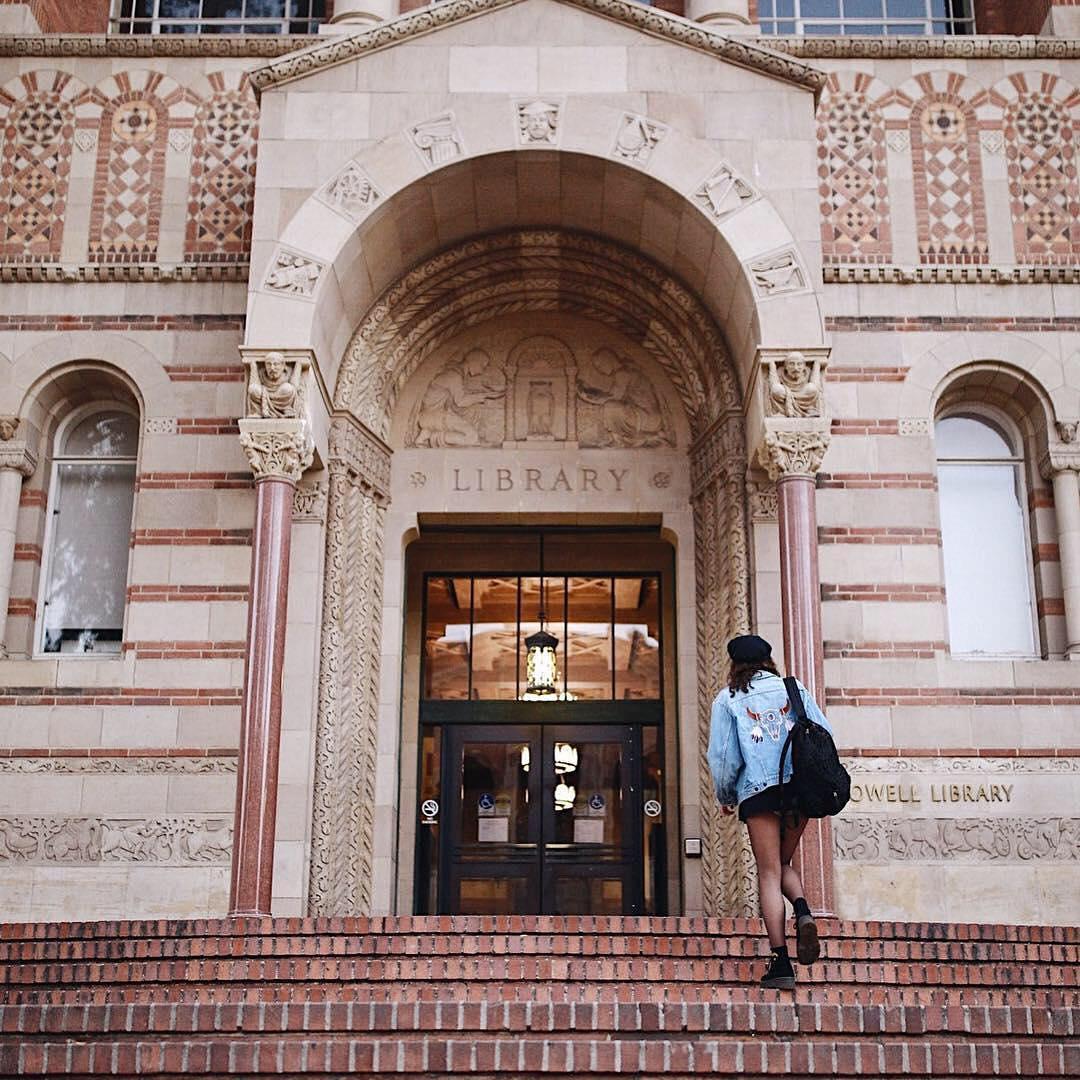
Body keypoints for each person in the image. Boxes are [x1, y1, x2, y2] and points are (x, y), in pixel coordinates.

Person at [707, 634, 833, 989]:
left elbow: (723, 756)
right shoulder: (793, 690)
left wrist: (725, 794)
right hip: (799, 789)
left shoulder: (729, 698)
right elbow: (826, 734)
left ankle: (781, 962)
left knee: (767, 872)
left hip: (760, 792)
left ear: (734, 664)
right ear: (768, 660)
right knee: (783, 864)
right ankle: (803, 911)